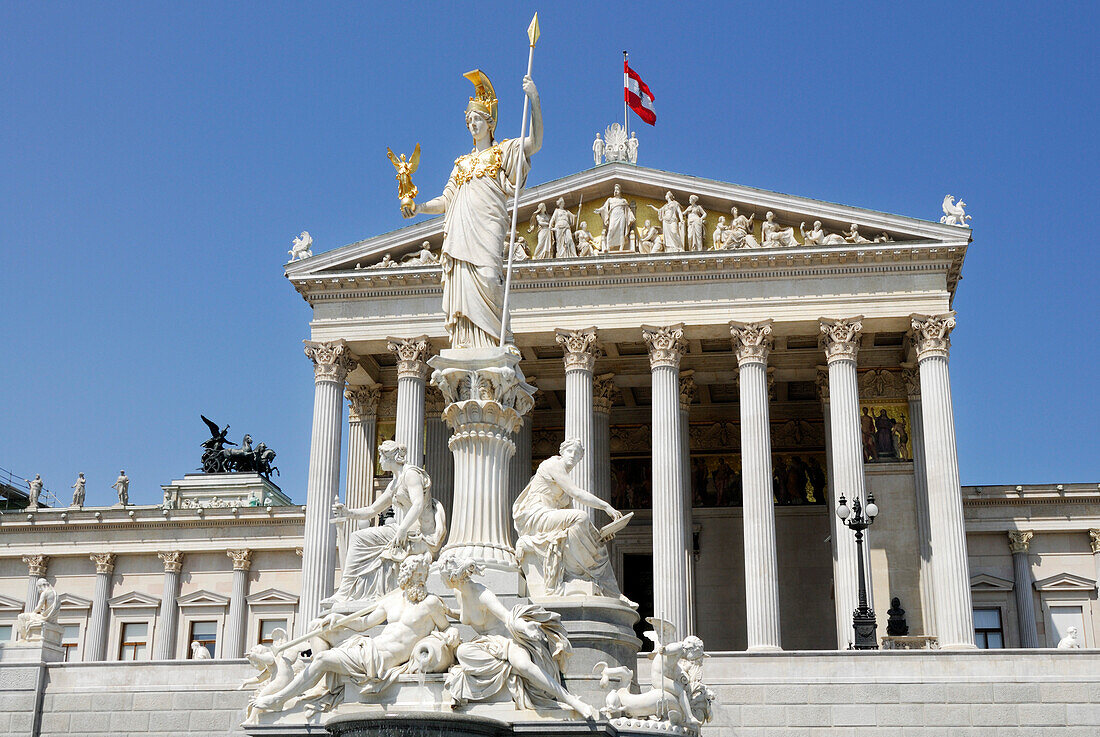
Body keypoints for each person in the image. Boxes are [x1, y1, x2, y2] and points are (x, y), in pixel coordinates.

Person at [402, 71, 542, 349]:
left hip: (487, 228)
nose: (472, 124)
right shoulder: (462, 164)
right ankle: (468, 344)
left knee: (490, 277)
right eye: (469, 121)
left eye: (476, 119)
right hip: (461, 234)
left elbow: (534, 143)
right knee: (464, 287)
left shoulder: (503, 152)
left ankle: (498, 343)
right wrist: (418, 208)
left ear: (490, 123)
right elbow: (447, 200)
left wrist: (534, 100)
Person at [252, 555, 454, 711]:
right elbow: (363, 624)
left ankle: (280, 698)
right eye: (417, 574)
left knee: (322, 658)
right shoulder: (391, 600)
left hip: (381, 660)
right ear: (406, 576)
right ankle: (322, 684)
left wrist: (452, 634)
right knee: (317, 627)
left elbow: (446, 628)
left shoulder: (431, 603)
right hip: (369, 646)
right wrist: (339, 619)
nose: (421, 579)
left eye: (423, 575)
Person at [440, 557, 597, 718]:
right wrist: (448, 611)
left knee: (524, 666)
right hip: (485, 642)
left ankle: (572, 701)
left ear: (453, 577)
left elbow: (507, 617)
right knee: (463, 651)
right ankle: (510, 669)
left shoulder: (482, 594)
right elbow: (466, 615)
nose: (441, 579)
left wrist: (526, 628)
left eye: (443, 575)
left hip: (505, 639)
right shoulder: (458, 592)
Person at [326, 441, 446, 605]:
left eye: (381, 456)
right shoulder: (394, 483)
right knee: (357, 537)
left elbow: (418, 503)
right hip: (405, 532)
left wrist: (402, 529)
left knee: (359, 539)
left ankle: (345, 591)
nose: (380, 460)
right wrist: (348, 513)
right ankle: (347, 591)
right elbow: (372, 510)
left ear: (390, 458)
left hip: (419, 537)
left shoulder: (411, 474)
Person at [512, 439, 631, 602]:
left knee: (599, 545)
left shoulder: (564, 489)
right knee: (581, 516)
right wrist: (606, 507)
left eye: (577, 454)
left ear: (580, 459)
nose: (573, 456)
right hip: (536, 515)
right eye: (570, 451)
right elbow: (576, 493)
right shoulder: (553, 464)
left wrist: (598, 536)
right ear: (562, 452)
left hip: (549, 517)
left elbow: (576, 524)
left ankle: (613, 592)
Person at [595, 184, 635, 252]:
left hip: (621, 216)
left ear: (620, 191)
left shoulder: (623, 200)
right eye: (615, 189)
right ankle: (607, 247)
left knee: (621, 231)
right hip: (613, 216)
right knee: (610, 230)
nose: (616, 191)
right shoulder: (610, 200)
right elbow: (604, 207)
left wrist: (631, 216)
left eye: (617, 189)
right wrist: (599, 210)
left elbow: (628, 210)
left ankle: (621, 248)